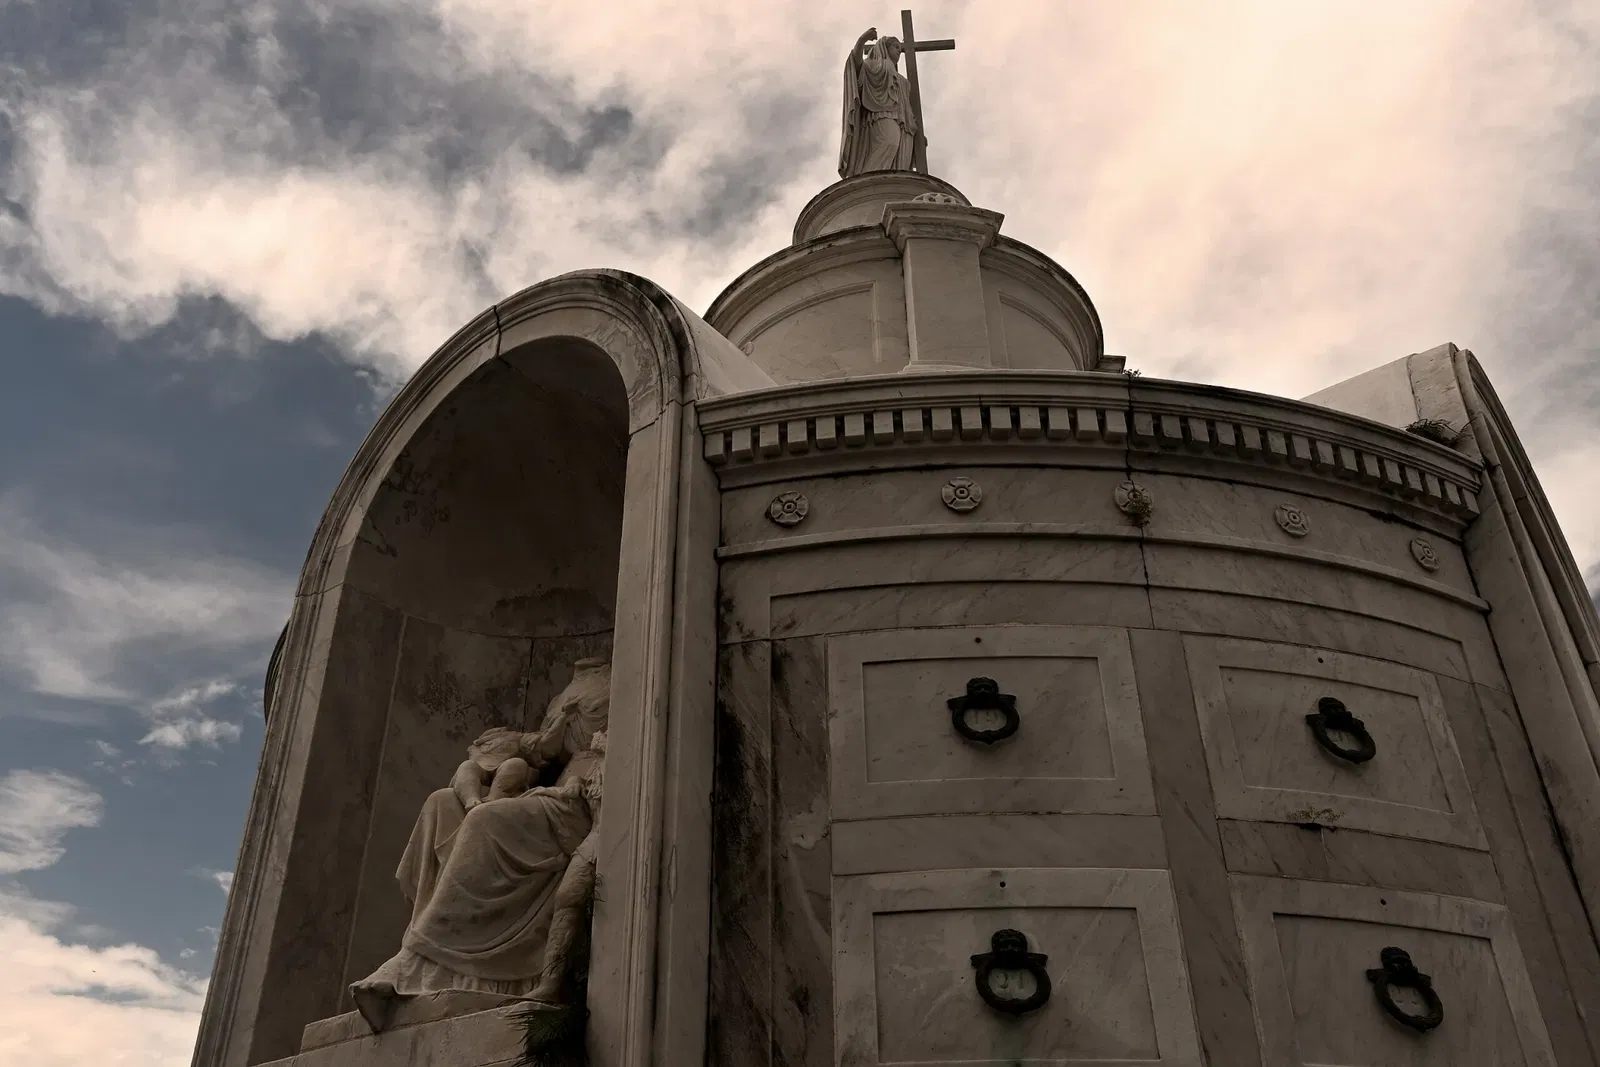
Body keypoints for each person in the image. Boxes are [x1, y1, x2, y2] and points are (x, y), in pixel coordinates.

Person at [350, 659, 610, 1031]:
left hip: (580, 798)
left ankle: (414, 963)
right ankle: (435, 963)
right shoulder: (568, 691)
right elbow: (540, 751)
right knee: (441, 803)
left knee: (486, 821)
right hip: (548, 792)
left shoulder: (626, 675)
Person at [839, 27, 918, 177]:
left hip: (902, 122)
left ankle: (888, 183)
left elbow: (907, 107)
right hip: (879, 115)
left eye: (900, 49)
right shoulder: (874, 66)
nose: (899, 52)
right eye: (896, 47)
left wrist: (915, 130)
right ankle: (867, 180)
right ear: (884, 47)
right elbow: (856, 65)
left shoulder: (902, 81)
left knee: (899, 157)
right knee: (889, 143)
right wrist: (862, 40)